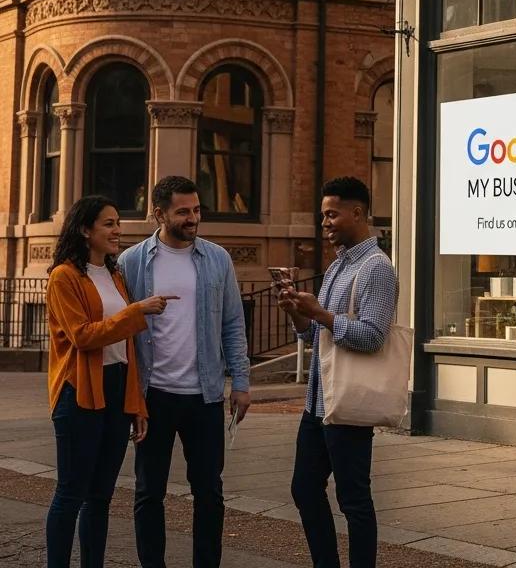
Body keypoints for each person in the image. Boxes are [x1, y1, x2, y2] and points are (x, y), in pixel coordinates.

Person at [118, 175, 251, 568]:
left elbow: (233, 323)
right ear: (159, 214)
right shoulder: (131, 262)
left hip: (204, 395)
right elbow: (121, 329)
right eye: (183, 212)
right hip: (153, 394)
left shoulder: (217, 259)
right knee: (148, 492)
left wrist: (241, 382)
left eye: (196, 210)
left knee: (209, 492)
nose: (193, 218)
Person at [45, 195, 174, 568]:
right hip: (79, 391)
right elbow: (83, 336)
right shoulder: (64, 277)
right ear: (85, 230)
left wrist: (136, 404)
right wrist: (137, 311)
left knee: (100, 496)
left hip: (117, 389)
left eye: (118, 222)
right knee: (71, 493)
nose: (118, 230)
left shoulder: (115, 274)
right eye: (109, 224)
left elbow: (127, 349)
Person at [278, 176, 397, 568]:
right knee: (304, 489)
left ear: (357, 213)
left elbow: (373, 336)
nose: (325, 223)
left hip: (348, 404)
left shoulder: (377, 268)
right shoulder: (336, 267)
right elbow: (317, 336)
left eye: (332, 214)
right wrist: (298, 313)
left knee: (354, 500)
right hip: (317, 403)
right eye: (323, 215)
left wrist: (321, 314)